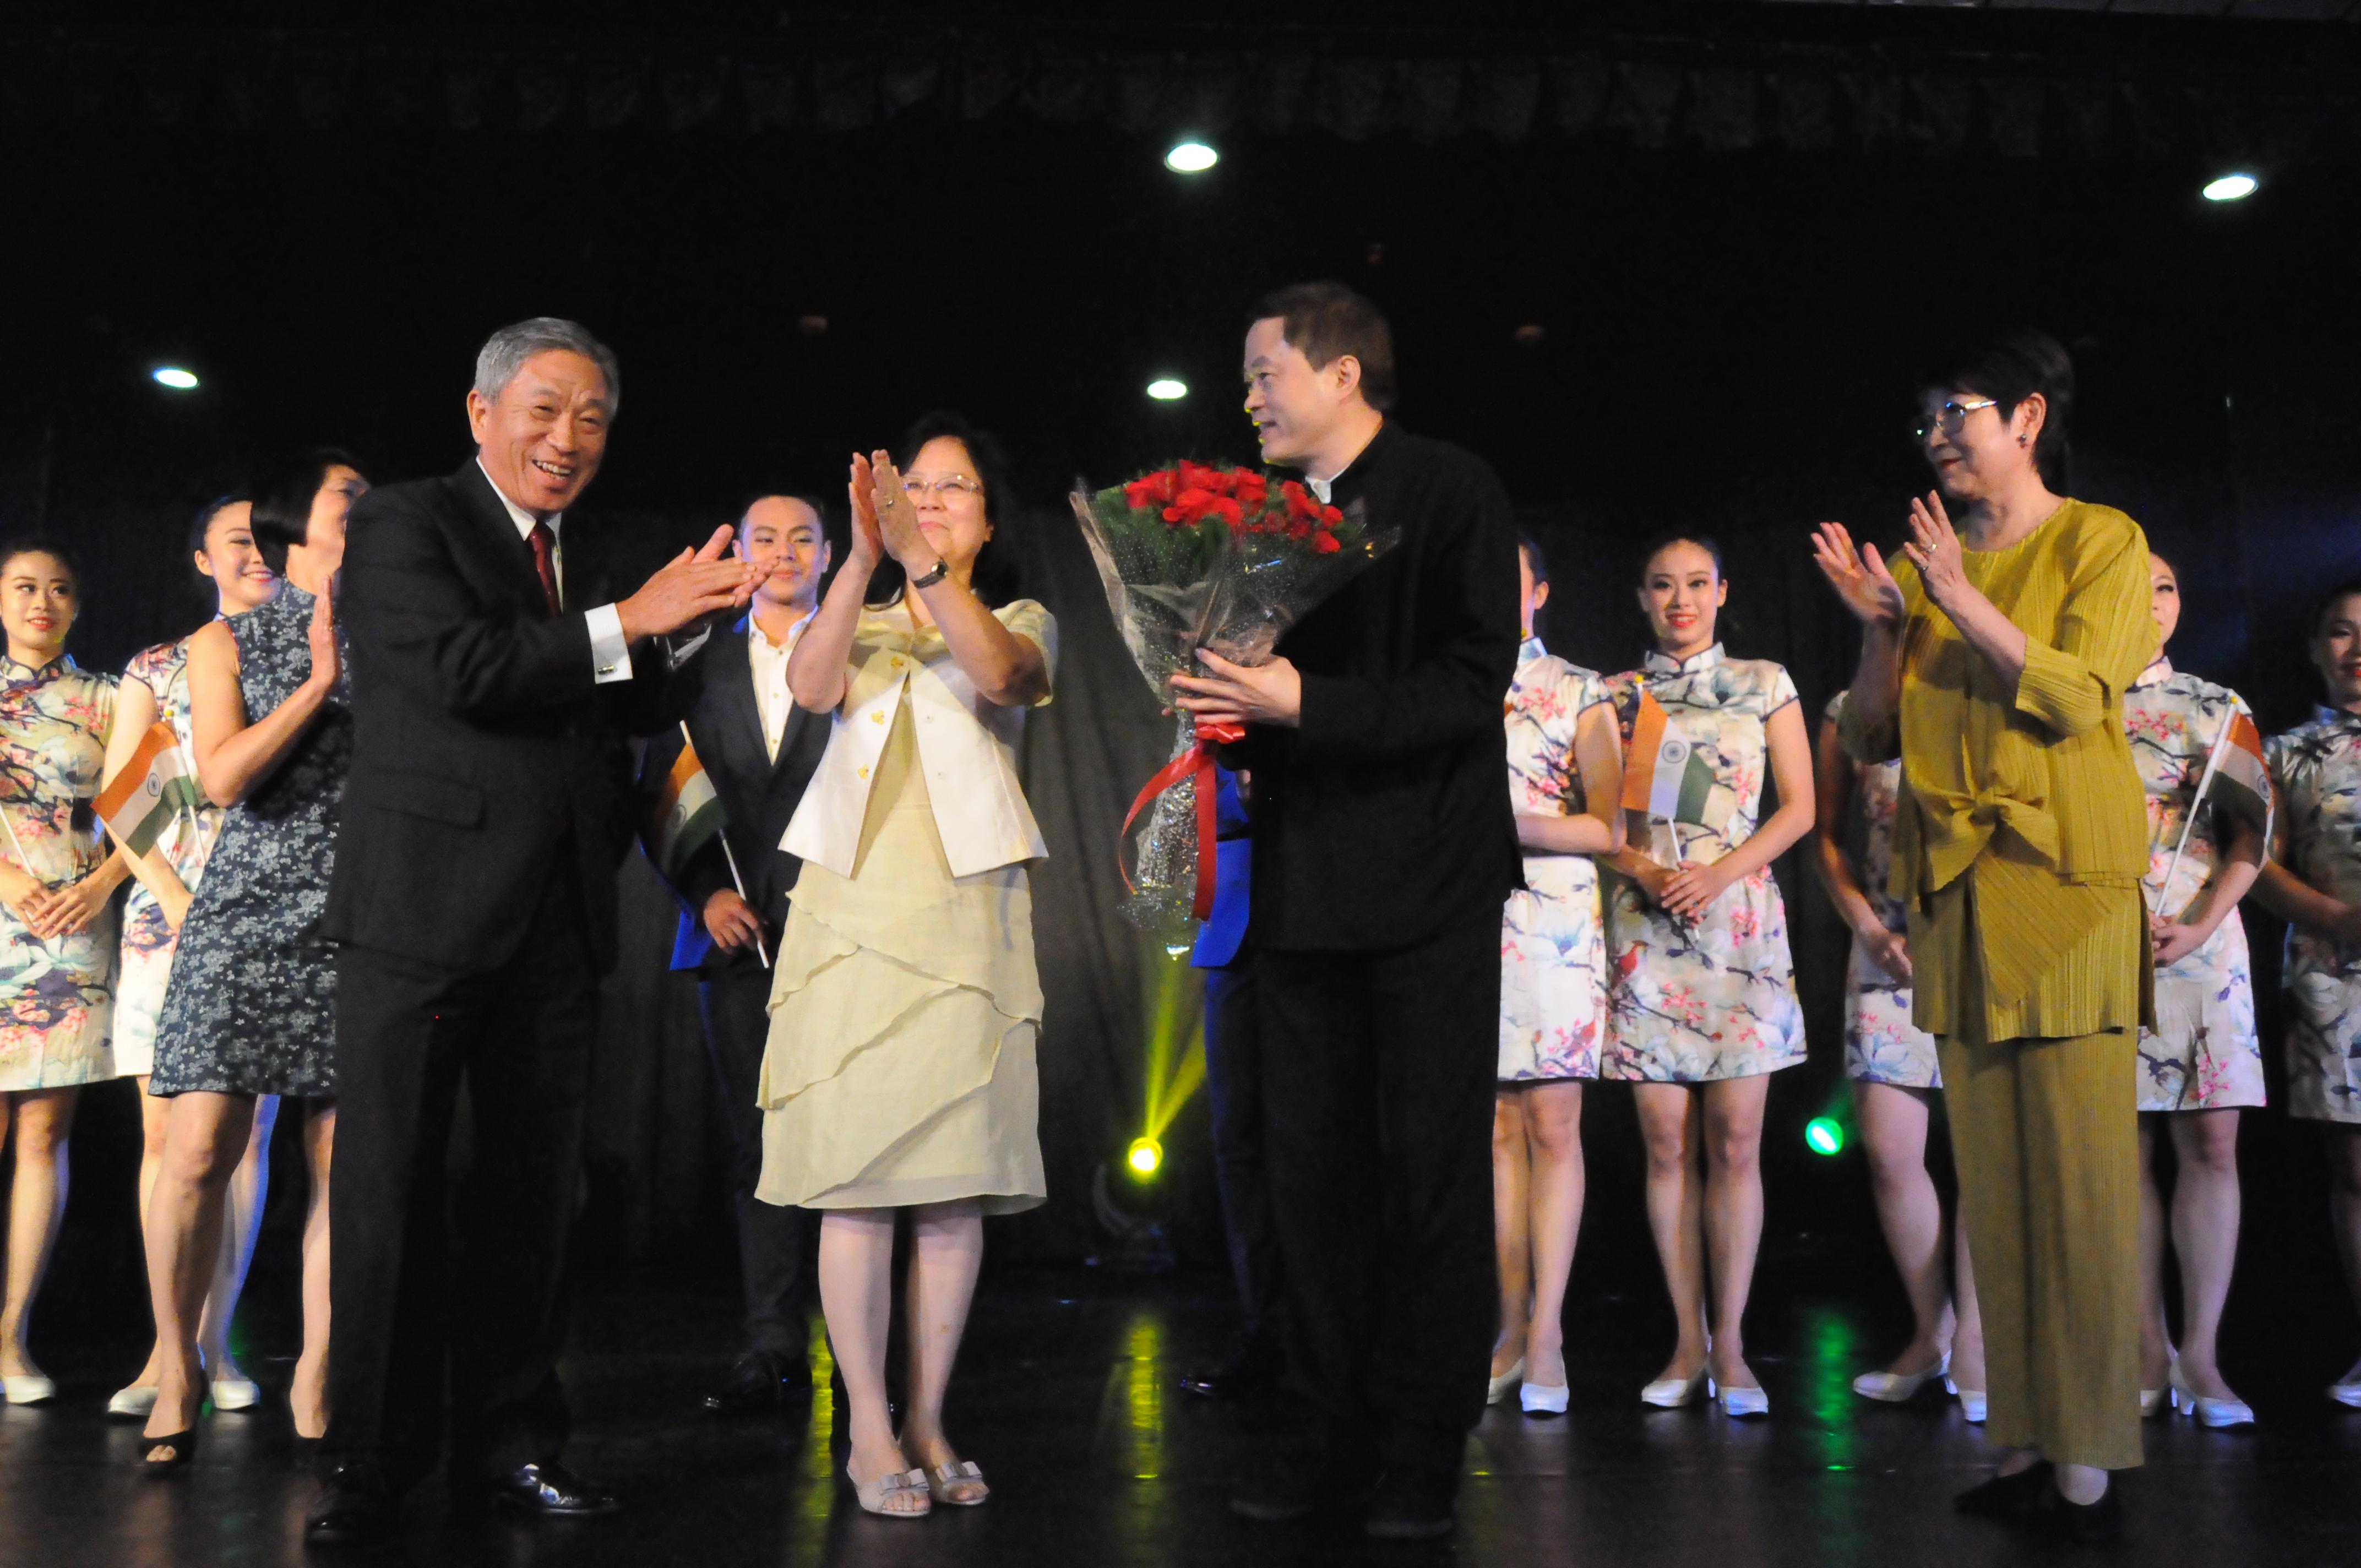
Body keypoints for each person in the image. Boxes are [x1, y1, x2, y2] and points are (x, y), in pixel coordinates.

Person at [308, 319, 757, 1545]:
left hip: (558, 915)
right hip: (417, 914)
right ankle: (368, 1465)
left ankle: (509, 1447)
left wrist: (687, 625)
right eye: (545, 410)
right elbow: (462, 668)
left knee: (531, 1203)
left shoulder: (597, 555)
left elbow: (626, 709)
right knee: (390, 1196)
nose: (568, 440)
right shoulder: (403, 523)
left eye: (593, 418)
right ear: (479, 412)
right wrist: (631, 618)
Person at [1170, 282, 1521, 1540]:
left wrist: (1300, 700)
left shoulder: (1449, 488)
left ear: (1342, 377)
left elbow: (1471, 681)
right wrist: (1217, 702)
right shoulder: (1259, 517)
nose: (1248, 394)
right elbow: (1255, 705)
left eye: (1264, 370)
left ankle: (1423, 1434)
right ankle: (1326, 1417)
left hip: (1426, 885)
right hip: (1300, 888)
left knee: (1425, 1168)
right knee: (1308, 1170)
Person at [1814, 327, 2151, 1541]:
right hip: (1953, 889)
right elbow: (1863, 739)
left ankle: (2089, 1465)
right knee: (1996, 1190)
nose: (1938, 437)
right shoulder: (1923, 567)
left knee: (2077, 1186)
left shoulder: (2099, 538)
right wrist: (1883, 623)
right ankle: (2021, 1438)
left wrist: (1955, 596)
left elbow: (2078, 695)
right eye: (1926, 421)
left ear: (2024, 416)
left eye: (1956, 412)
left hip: (2060, 888)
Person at [760, 415, 1051, 1519]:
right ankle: (867, 1424)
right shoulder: (869, 612)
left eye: (952, 487)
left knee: (948, 1185)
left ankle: (929, 1412)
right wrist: (859, 564)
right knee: (856, 1179)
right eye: (913, 487)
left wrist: (925, 571)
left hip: (965, 914)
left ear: (985, 514)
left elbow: (1000, 673)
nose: (928, 500)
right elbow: (812, 682)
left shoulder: (1019, 617)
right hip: (850, 914)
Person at [137, 452, 367, 1472]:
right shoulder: (221, 639)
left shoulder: (398, 637)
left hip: (360, 914)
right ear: (294, 534)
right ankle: (178, 1361)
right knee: (196, 1153)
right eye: (346, 504)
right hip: (244, 912)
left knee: (340, 1166)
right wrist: (319, 682)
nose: (367, 516)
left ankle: (320, 1363)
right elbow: (224, 775)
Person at [1600, 535, 1813, 1419]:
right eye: (1662, 585)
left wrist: (1720, 873)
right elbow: (1596, 813)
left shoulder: (1765, 682)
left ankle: (1732, 1342)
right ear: (1642, 597)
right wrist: (1648, 873)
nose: (1679, 599)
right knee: (1665, 1147)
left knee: (1734, 1145)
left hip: (1738, 926)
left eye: (1695, 584)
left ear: (1723, 591)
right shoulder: (1613, 695)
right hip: (1648, 925)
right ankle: (1685, 1339)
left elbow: (1800, 806)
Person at [635, 495, 833, 1414]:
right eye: (766, 538)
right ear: (742, 554)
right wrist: (701, 891)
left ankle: (866, 1345)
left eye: (803, 536)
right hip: (735, 935)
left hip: (849, 934)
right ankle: (770, 1341)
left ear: (830, 554)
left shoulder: (868, 655)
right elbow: (657, 787)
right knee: (760, 1143)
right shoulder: (694, 659)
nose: (784, 551)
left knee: (856, 1139)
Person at [101, 497, 275, 1424]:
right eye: (236, 540)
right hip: (167, 925)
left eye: (265, 539)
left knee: (243, 1140)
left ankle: (220, 1341)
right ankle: (168, 1349)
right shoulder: (156, 665)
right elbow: (121, 795)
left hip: (266, 925)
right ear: (201, 554)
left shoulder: (302, 657)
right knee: (166, 1141)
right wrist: (173, 898)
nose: (254, 554)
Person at [1813, 692, 1987, 1419]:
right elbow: (1824, 836)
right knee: (1888, 1149)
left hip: (1987, 943)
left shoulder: (1990, 683)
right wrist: (1869, 929)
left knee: (1986, 1155)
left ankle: (1978, 1339)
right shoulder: (1854, 708)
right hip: (1889, 944)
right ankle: (1931, 1331)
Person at [2125, 551, 2266, 1430]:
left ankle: (2204, 1356)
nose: (2153, 601)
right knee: (2124, 1153)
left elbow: (2249, 841)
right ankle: (2145, 1347)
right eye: (2131, 585)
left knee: (2212, 1144)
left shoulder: (2222, 708)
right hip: (2105, 955)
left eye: (2169, 585)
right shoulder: (2068, 711)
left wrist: (2203, 925)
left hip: (2204, 950)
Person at [1490, 536, 1622, 1418]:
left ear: (1540, 590)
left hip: (1555, 919)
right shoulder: (1442, 683)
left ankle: (1548, 1335)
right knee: (1495, 1130)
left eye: (1509, 579)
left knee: (1553, 1123)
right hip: (1463, 917)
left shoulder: (1580, 688)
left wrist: (1499, 824)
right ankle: (1508, 1322)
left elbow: (1606, 826)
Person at [0, 542, 126, 1407]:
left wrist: (101, 884)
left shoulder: (112, 699)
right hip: (3, 907)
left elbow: (160, 803)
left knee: (45, 1138)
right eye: (23, 587)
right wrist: (11, 883)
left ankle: (11, 1339)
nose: (42, 601)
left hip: (76, 927)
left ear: (79, 604)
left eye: (59, 589)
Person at [2252, 577, 2361, 1412]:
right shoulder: (2285, 752)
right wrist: (2335, 917)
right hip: (2334, 977)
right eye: (2340, 633)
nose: (2356, 649)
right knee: (2355, 1175)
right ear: (2315, 648)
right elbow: (2260, 867)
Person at [1177, 765, 1285, 1401]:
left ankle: (1342, 1336)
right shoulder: (1212, 677)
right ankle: (1266, 1329)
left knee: (1325, 1138)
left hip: (1326, 911)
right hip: (1238, 921)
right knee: (1240, 1141)